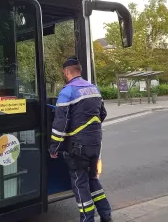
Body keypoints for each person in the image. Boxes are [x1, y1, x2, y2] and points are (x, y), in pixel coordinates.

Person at [49, 56, 112, 222]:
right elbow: (102, 114)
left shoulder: (67, 92)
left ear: (67, 72)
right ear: (80, 71)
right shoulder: (94, 89)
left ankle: (87, 219)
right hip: (95, 143)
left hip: (77, 146)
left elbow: (60, 124)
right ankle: (106, 215)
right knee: (93, 180)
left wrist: (54, 147)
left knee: (80, 184)